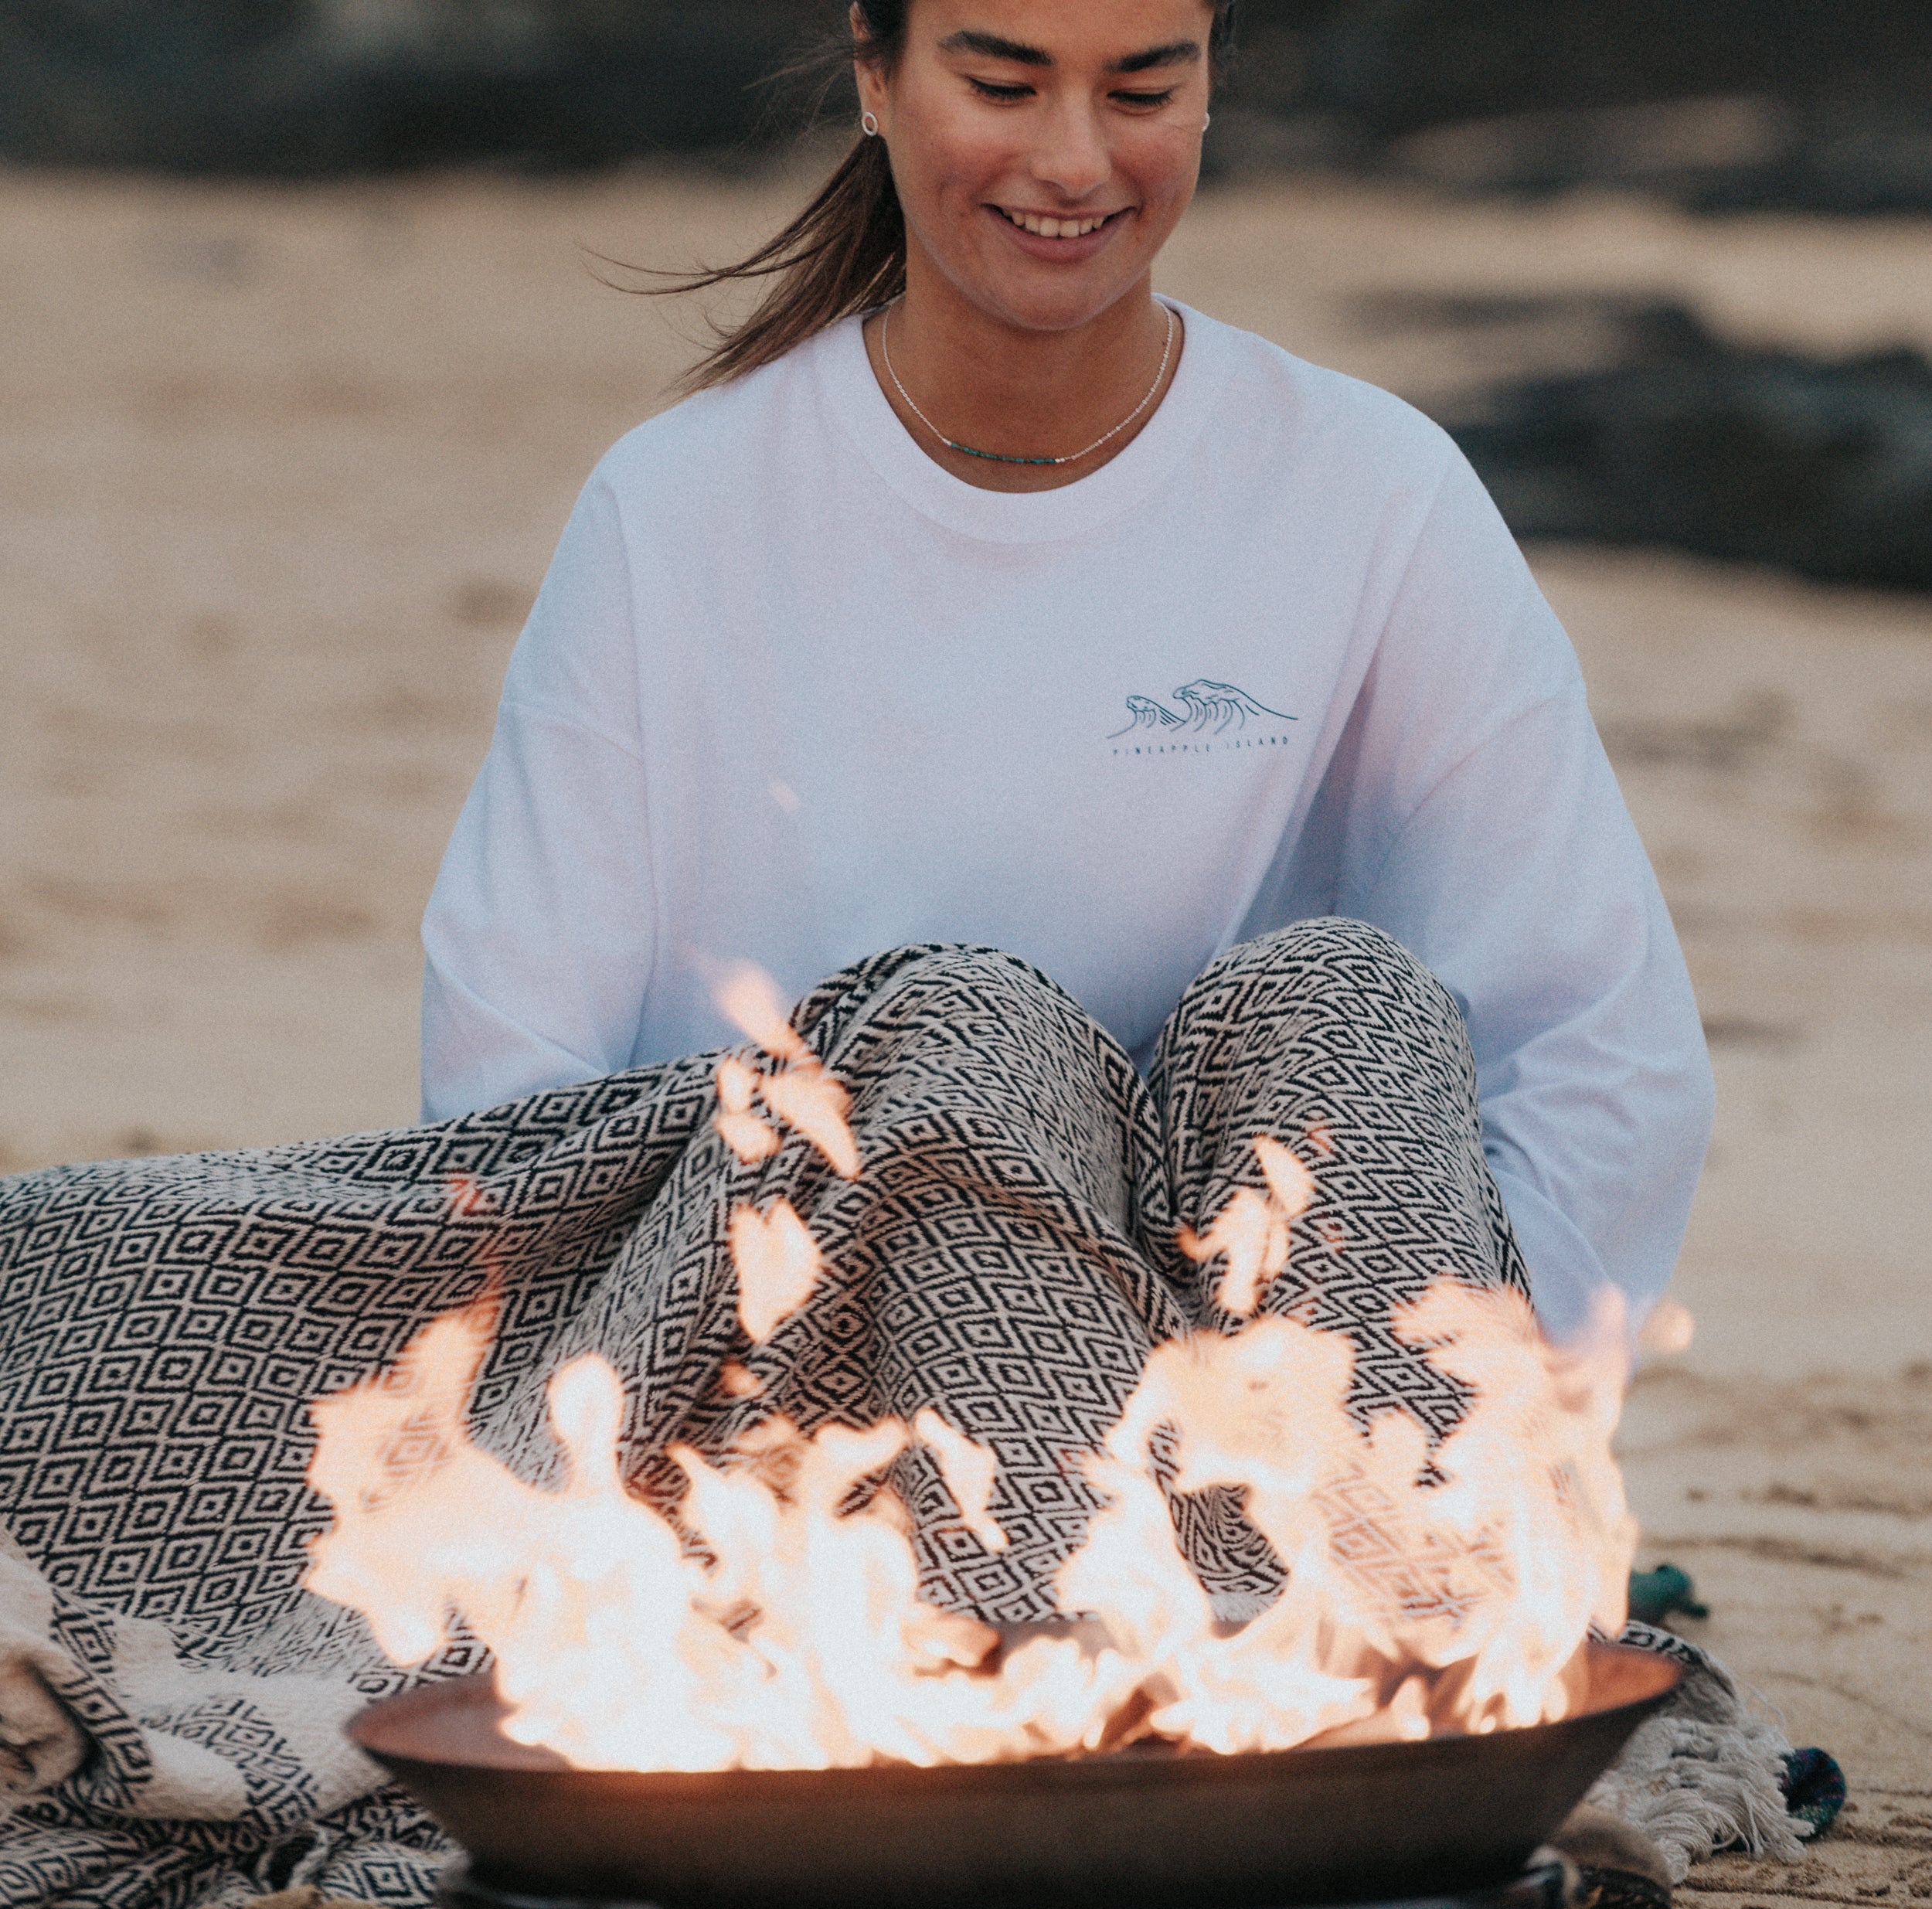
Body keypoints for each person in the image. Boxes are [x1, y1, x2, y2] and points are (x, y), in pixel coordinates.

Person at [419, 0, 1713, 1352]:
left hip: (1257, 1415)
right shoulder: (676, 513)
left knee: (1342, 1005)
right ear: (876, 68)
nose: (1077, 163)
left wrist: (1505, 1443)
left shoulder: (1370, 496)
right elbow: (509, 1081)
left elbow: (1594, 1040)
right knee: (964, 1035)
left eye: (1143, 93)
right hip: (793, 1390)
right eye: (1005, 85)